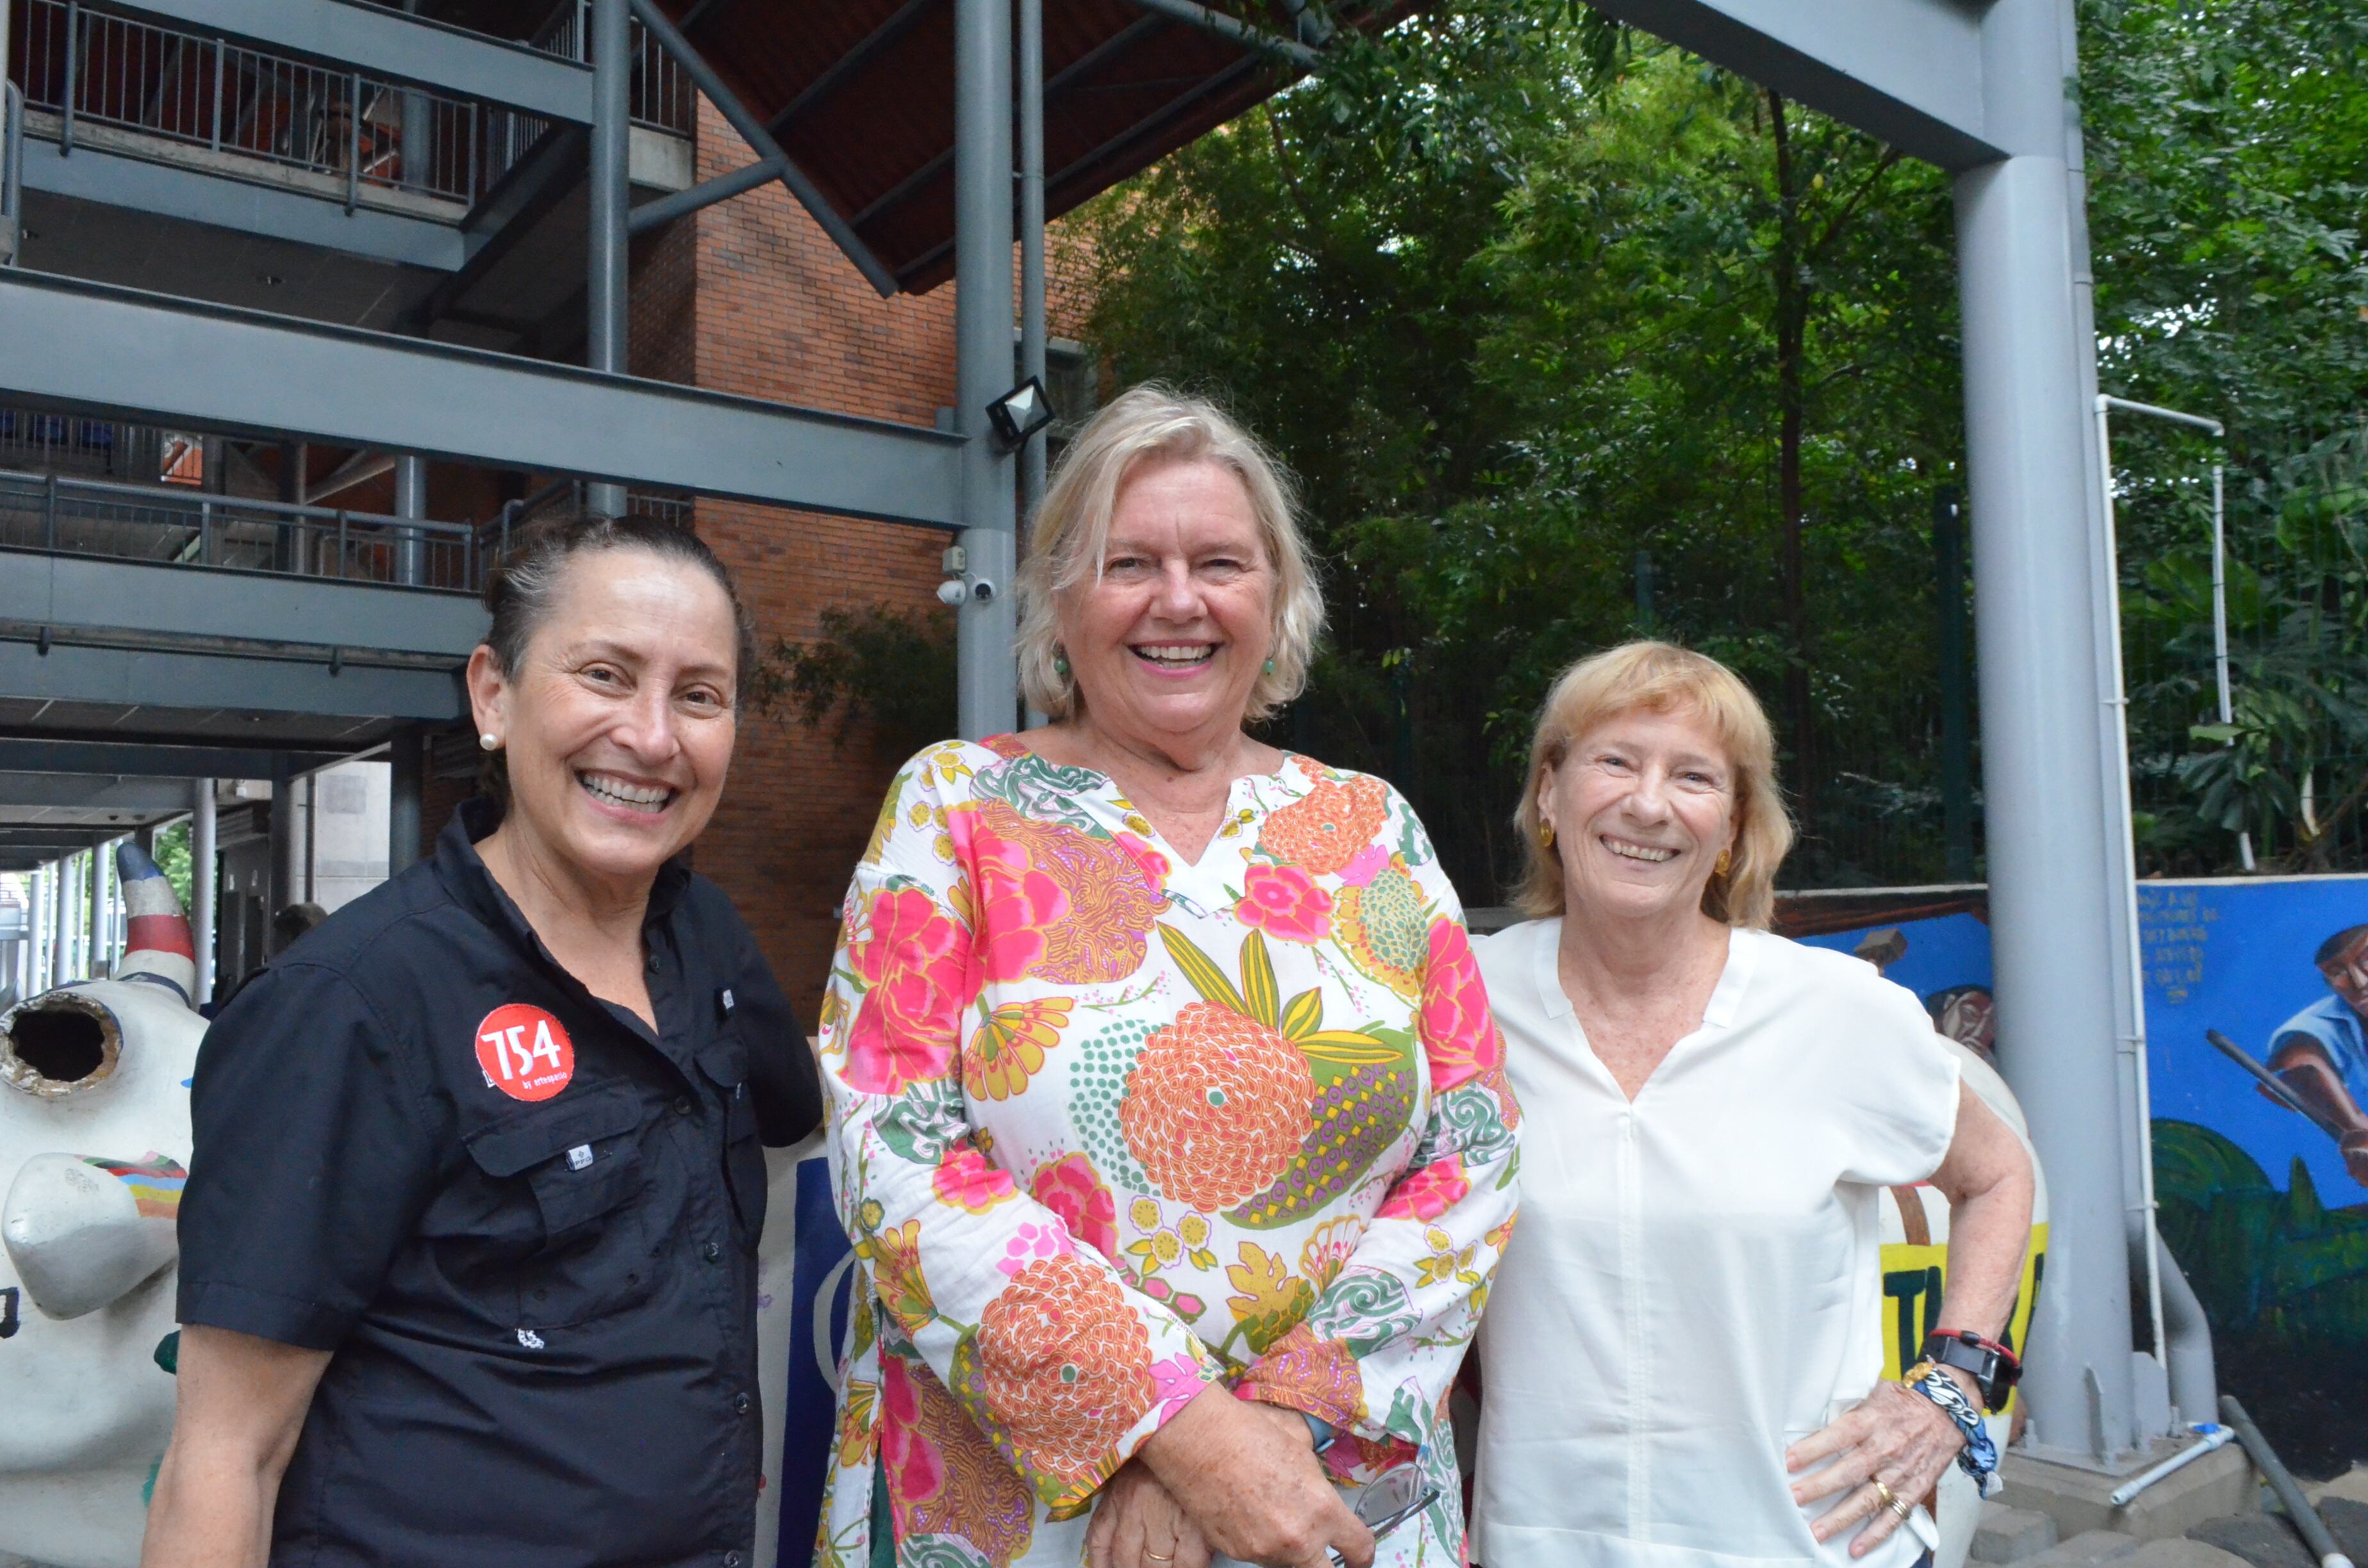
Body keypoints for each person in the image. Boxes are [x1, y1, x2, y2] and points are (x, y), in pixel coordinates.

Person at [815, 386, 1520, 1568]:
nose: (1178, 600)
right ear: (1060, 599)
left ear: (1276, 598)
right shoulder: (955, 808)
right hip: (1024, 1513)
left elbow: (1475, 1149)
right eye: (1128, 562)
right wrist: (1178, 1430)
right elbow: (892, 1146)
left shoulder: (1371, 827)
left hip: (1331, 1489)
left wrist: (1282, 1426)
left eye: (1220, 563)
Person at [142, 512, 821, 1568]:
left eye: (700, 695)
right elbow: (228, 1453)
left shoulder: (708, 941)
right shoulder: (351, 1005)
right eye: (604, 675)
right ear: (494, 695)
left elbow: (804, 1110)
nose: (653, 737)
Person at [1468, 641, 2034, 1568]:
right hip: (1546, 1544)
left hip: (1807, 1543)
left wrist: (1954, 1384)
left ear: (1732, 827)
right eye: (1615, 761)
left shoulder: (1834, 1011)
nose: (1648, 804)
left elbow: (1999, 1172)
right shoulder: (1463, 1005)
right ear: (1548, 795)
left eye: (1693, 777)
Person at [2264, 925, 2368, 1184]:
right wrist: (2356, 1128)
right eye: (2337, 972)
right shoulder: (2324, 1021)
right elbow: (2302, 1062)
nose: (2359, 982)